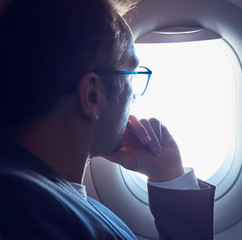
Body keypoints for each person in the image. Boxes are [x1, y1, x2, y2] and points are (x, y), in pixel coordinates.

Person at [0, 0, 215, 239]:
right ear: (92, 95)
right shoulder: (27, 211)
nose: (134, 96)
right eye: (131, 75)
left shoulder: (52, 194)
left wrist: (169, 175)